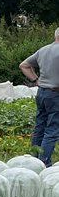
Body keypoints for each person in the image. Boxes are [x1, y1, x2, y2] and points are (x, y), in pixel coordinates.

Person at [19, 28, 59, 166]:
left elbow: (24, 65)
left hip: (41, 92)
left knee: (40, 127)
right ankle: (44, 163)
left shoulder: (43, 50)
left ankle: (32, 160)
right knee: (52, 129)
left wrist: (35, 80)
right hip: (56, 94)